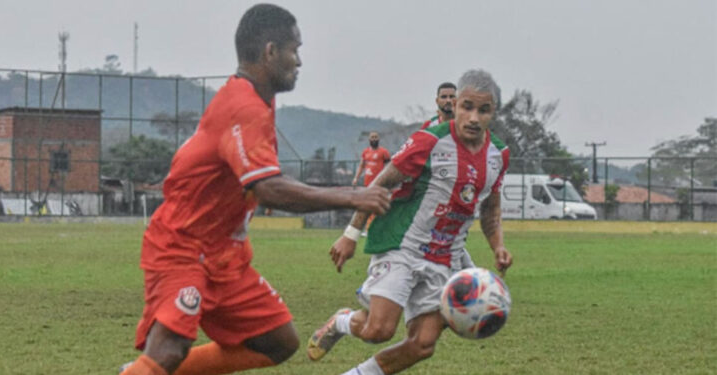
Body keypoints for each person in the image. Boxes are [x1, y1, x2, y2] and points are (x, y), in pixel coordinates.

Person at [120, 4, 390, 375]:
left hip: (224, 255)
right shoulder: (243, 106)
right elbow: (268, 189)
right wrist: (352, 195)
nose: (299, 61)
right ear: (270, 52)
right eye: (295, 49)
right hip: (183, 247)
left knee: (279, 341)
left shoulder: (258, 100)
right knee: (169, 346)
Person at [307, 70, 513, 375]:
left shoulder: (499, 154)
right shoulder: (429, 141)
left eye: (483, 110)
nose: (473, 117)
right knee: (379, 330)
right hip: (403, 246)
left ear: (493, 112)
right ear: (454, 104)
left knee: (422, 344)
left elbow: (490, 209)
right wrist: (351, 234)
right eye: (466, 107)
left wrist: (498, 246)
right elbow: (380, 182)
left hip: (447, 257)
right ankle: (340, 322)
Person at [351, 132, 391, 236]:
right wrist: (356, 178)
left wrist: (387, 179)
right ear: (369, 140)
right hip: (367, 183)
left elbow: (389, 167)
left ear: (379, 139)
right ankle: (369, 228)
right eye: (372, 137)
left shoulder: (384, 152)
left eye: (376, 137)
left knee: (377, 206)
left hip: (379, 183)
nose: (374, 139)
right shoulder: (365, 152)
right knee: (368, 206)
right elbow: (361, 166)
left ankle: (376, 228)